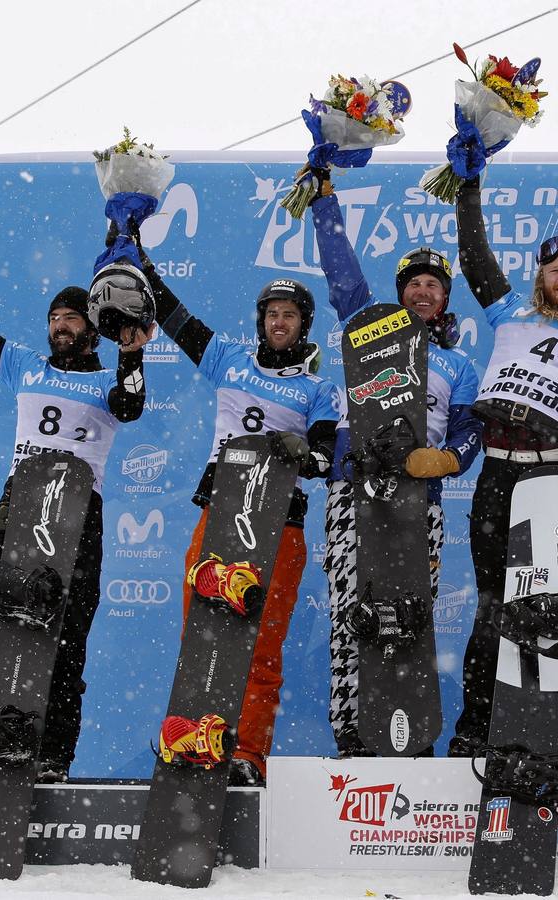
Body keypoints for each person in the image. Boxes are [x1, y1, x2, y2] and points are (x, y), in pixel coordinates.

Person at [0, 236, 153, 782]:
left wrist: (134, 350)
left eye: (71, 318)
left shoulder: (108, 378)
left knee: (67, 643)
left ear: (93, 326)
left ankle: (52, 757)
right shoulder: (24, 365)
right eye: (54, 318)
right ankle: (5, 733)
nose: (60, 327)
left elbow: (132, 405)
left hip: (78, 517)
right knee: (7, 633)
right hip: (19, 511)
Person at [448, 176, 558, 760]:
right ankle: (477, 729)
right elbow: (473, 254)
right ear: (541, 277)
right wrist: (469, 183)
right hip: (497, 473)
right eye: (554, 270)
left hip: (555, 479)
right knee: (489, 605)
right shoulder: (508, 310)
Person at [141, 251, 338, 786]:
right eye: (272, 313)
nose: (279, 322)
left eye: (290, 315)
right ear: (260, 321)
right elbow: (172, 315)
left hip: (281, 523)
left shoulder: (319, 389)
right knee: (202, 637)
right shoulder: (226, 357)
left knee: (262, 647)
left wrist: (308, 453)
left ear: (303, 325)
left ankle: (247, 754)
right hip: (222, 513)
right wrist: (133, 248)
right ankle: (190, 737)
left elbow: (326, 458)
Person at [308, 170, 483, 757]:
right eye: (415, 284)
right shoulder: (371, 326)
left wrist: (449, 461)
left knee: (410, 619)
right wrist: (325, 204)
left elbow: (468, 432)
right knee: (350, 615)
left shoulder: (460, 365)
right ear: (400, 290)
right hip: (351, 491)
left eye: (435, 286)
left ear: (445, 300)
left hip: (418, 501)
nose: (424, 293)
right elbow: (342, 277)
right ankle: (353, 734)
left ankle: (407, 734)